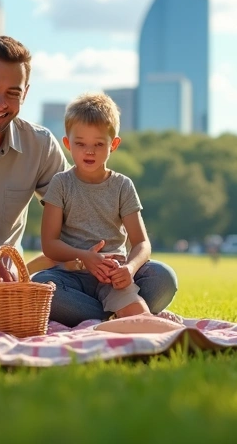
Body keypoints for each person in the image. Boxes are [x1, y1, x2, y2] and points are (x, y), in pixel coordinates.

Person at [0, 36, 179, 327]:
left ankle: (103, 315)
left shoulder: (40, 145)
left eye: (12, 93)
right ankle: (122, 315)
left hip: (8, 282)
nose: (0, 103)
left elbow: (76, 211)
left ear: (25, 94)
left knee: (160, 278)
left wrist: (106, 263)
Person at [36, 92, 161, 319]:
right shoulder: (61, 183)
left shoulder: (122, 185)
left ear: (113, 144)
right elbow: (49, 244)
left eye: (98, 144)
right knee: (43, 285)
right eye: (80, 143)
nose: (89, 151)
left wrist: (130, 269)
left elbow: (141, 242)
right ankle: (112, 314)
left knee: (162, 276)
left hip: (114, 276)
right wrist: (85, 257)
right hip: (73, 277)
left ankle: (103, 313)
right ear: (67, 144)